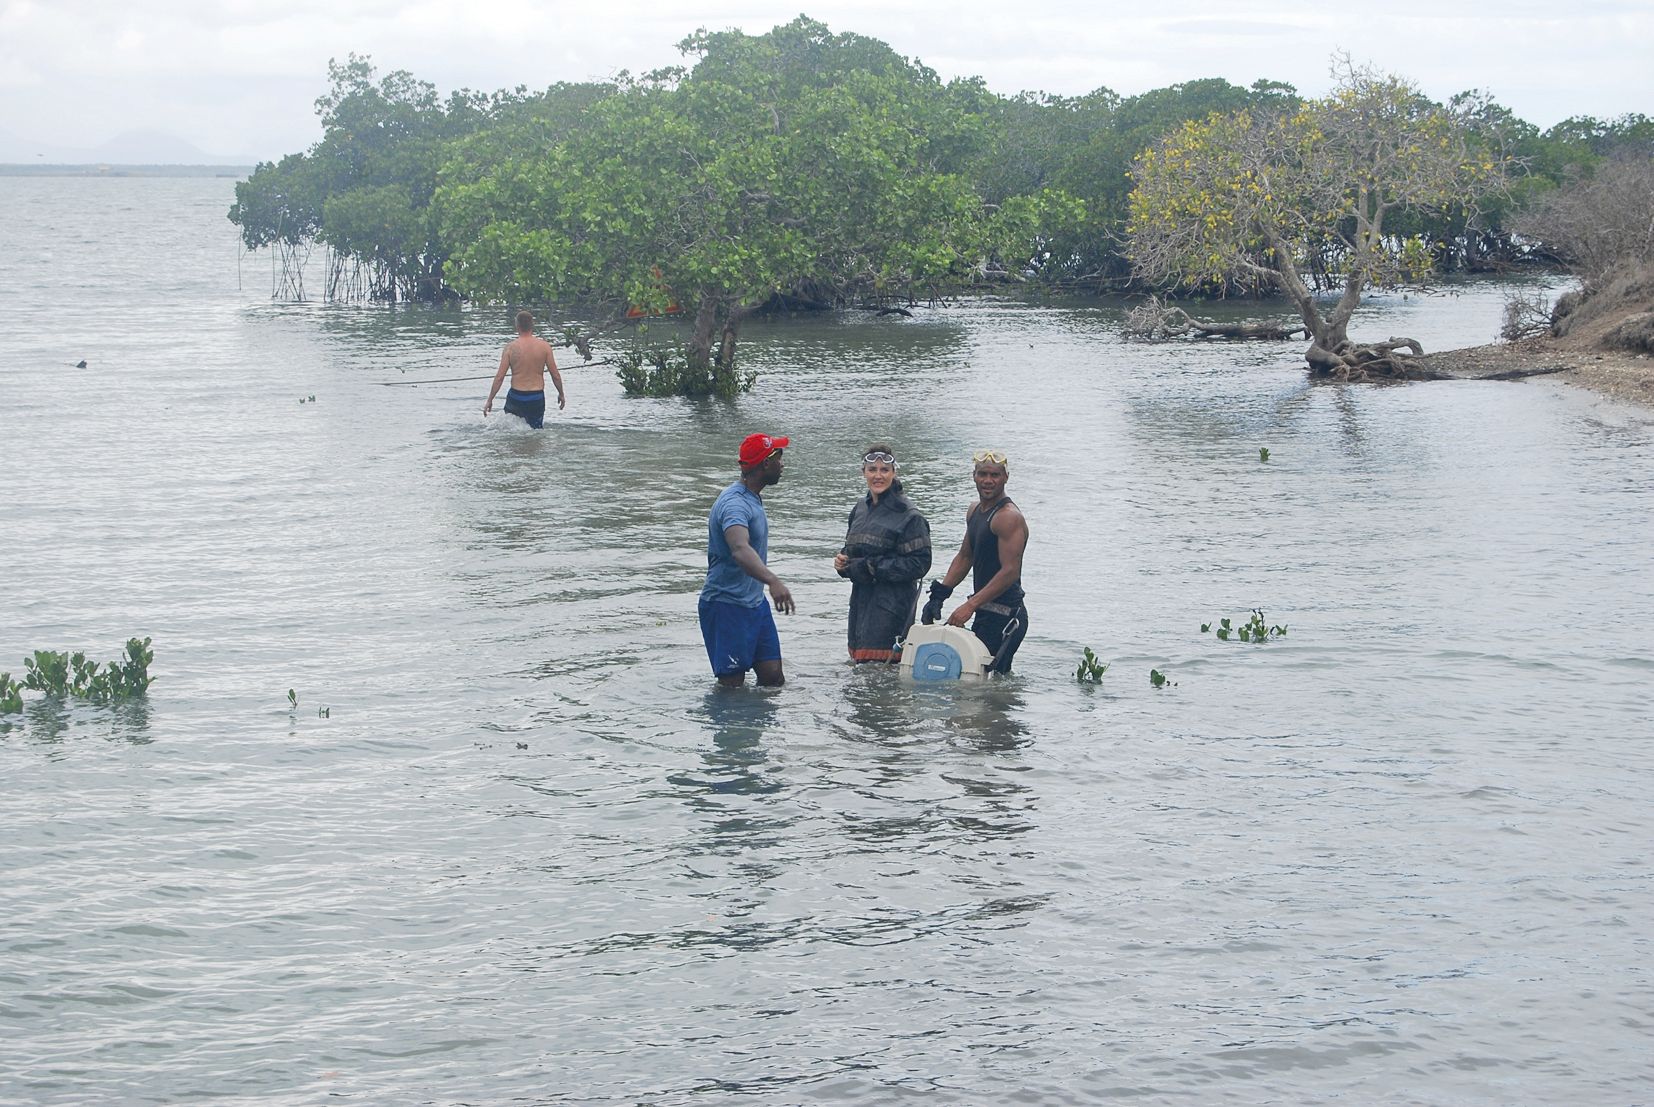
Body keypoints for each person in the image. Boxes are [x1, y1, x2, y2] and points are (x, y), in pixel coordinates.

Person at [700, 433, 796, 687]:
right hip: (726, 605)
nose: (783, 464)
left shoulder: (751, 497)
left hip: (753, 602)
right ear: (766, 464)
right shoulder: (734, 504)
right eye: (779, 458)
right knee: (732, 687)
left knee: (773, 677)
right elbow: (740, 549)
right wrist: (773, 581)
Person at [921, 450, 1030, 674]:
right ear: (974, 476)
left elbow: (1010, 572)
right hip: (985, 611)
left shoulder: (1008, 517)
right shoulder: (974, 511)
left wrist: (970, 605)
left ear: (1006, 477)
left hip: (1007, 616)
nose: (988, 481)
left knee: (987, 688)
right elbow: (965, 557)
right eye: (983, 474)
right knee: (974, 685)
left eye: (995, 475)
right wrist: (939, 595)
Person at [833, 444, 931, 662]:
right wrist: (843, 562)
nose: (878, 476)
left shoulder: (909, 516)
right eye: (872, 470)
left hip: (892, 613)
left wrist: (870, 567)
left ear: (894, 473)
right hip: (859, 609)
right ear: (863, 473)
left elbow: (920, 564)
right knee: (859, 677)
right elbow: (852, 550)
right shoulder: (860, 508)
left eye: (884, 470)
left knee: (883, 676)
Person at [483, 310, 566, 428]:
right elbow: (555, 375)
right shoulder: (544, 347)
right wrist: (561, 394)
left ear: (517, 325)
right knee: (535, 432)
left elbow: (499, 377)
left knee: (512, 432)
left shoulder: (510, 348)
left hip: (516, 396)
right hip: (536, 397)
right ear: (533, 324)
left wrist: (490, 400)